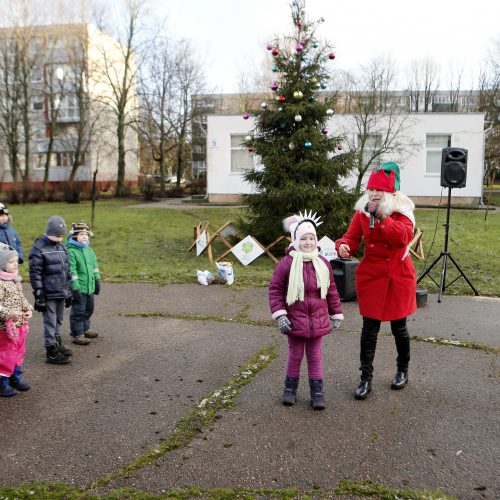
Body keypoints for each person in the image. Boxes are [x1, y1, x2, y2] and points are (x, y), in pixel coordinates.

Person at [335, 162, 417, 400]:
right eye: (371, 189)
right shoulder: (362, 211)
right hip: (371, 276)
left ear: (391, 192)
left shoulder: (403, 212)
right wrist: (343, 246)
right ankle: (365, 378)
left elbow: (402, 238)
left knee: (399, 328)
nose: (374, 194)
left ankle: (402, 370)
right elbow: (352, 238)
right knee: (369, 329)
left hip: (397, 277)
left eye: (379, 190)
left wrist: (383, 217)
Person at [269, 211, 344, 410]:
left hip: (318, 320)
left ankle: (317, 393)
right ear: (295, 241)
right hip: (294, 320)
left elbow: (332, 291)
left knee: (315, 357)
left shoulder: (323, 264)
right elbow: (275, 290)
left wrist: (336, 313)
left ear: (316, 241)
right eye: (304, 238)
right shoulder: (286, 264)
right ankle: (290, 390)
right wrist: (280, 315)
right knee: (295, 355)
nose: (308, 242)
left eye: (311, 238)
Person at [29, 216, 73, 365]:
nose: (59, 239)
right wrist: (39, 293)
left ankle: (57, 343)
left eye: (61, 236)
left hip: (61, 291)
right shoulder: (39, 248)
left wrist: (69, 291)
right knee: (50, 321)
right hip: (48, 293)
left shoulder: (62, 247)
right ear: (48, 232)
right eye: (56, 235)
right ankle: (51, 351)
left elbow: (67, 270)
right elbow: (35, 272)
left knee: (59, 319)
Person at [0, 243, 32, 397]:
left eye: (15, 261)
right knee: (5, 354)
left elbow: (21, 298)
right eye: (11, 262)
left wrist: (27, 309)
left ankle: (15, 377)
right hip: (5, 328)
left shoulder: (14, 280)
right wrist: (8, 313)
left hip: (20, 325)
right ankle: (2, 383)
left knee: (18, 351)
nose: (15, 264)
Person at [66, 221, 101, 345]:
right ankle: (77, 333)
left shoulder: (89, 250)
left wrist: (97, 280)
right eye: (81, 234)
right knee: (78, 311)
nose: (85, 237)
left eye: (86, 234)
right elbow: (72, 271)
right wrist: (75, 288)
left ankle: (85, 329)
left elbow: (94, 267)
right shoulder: (71, 252)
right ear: (74, 236)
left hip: (90, 287)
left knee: (89, 309)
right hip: (79, 288)